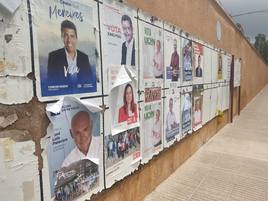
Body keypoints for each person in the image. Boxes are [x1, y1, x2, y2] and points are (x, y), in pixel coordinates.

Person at [47, 20, 94, 88]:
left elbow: (90, 83)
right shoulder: (54, 57)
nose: (69, 40)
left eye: (72, 36)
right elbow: (51, 85)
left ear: (76, 38)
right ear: (62, 37)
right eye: (66, 36)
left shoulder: (84, 58)